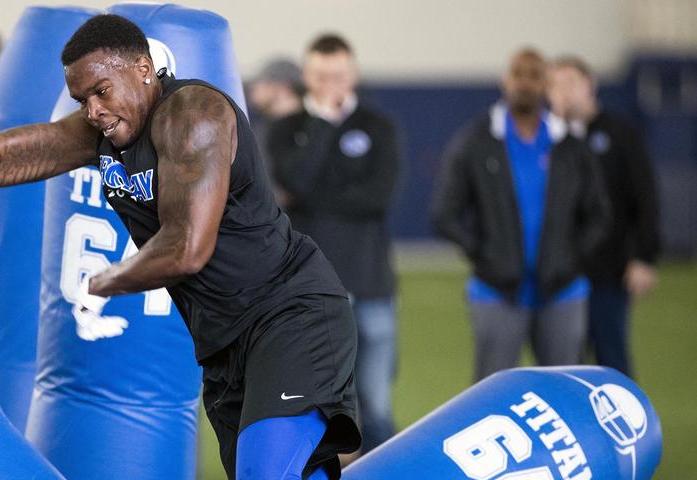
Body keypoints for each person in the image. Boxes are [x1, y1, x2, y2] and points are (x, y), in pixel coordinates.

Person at [0, 15, 523, 480]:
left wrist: (112, 278)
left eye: (101, 91)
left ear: (142, 70)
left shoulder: (194, 114)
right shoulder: (104, 129)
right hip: (226, 346)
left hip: (289, 312)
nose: (94, 109)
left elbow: (188, 245)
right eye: (81, 98)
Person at [432, 48, 611, 382]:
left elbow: (599, 214)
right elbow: (445, 212)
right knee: (490, 400)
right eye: (519, 75)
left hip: (563, 292)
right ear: (505, 81)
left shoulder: (569, 146)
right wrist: (483, 254)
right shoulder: (477, 141)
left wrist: (572, 259)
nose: (525, 84)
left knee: (564, 395)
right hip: (496, 292)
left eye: (534, 76)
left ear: (546, 84)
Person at [266, 34, 401, 457]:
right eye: (321, 76)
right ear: (306, 76)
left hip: (372, 282)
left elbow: (378, 196)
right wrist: (322, 124)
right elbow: (294, 181)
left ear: (353, 75)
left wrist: (312, 200)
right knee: (322, 403)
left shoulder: (380, 128)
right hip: (314, 287)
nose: (330, 84)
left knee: (376, 404)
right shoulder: (286, 130)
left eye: (338, 75)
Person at [547, 55, 660, 378]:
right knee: (563, 365)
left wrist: (643, 256)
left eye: (570, 83)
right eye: (555, 85)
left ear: (590, 85)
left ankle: (628, 426)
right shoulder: (546, 140)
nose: (563, 92)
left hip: (608, 271)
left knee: (611, 357)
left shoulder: (620, 134)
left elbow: (645, 197)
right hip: (558, 274)